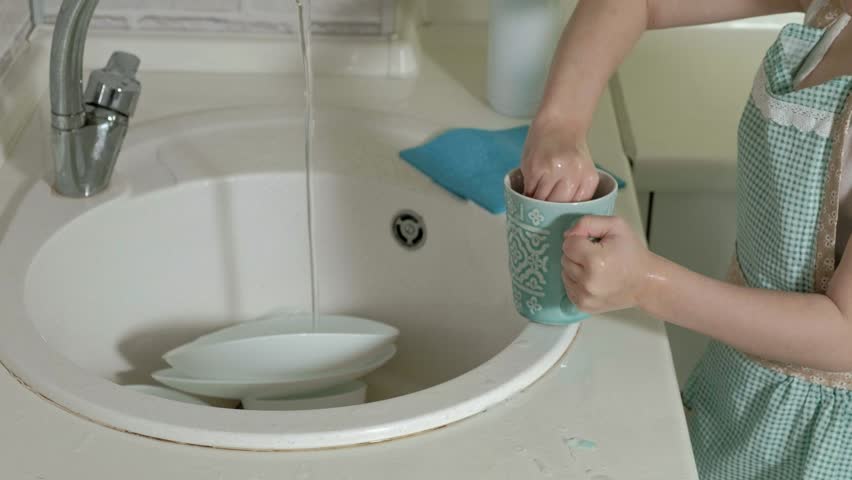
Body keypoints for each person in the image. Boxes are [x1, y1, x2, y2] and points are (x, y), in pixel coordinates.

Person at [521, 0, 852, 478]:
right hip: (742, 385)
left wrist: (645, 283)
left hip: (827, 442)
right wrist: (560, 123)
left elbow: (844, 333)